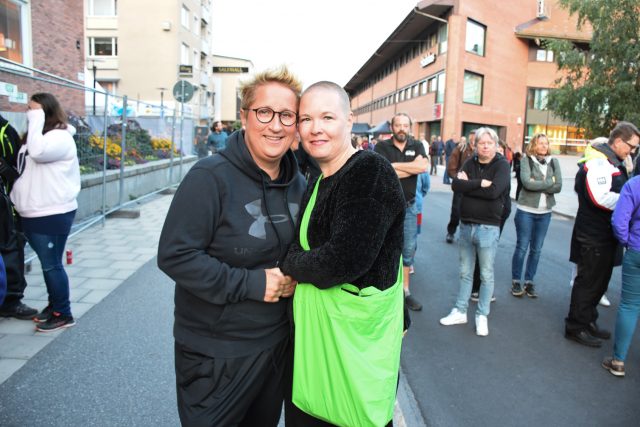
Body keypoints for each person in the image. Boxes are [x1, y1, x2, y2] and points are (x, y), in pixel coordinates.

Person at [157, 66, 306, 426]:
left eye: (287, 115)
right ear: (244, 116)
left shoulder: (299, 183)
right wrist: (253, 283)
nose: (276, 125)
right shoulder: (209, 177)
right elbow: (175, 256)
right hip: (214, 353)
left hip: (275, 347)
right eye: (264, 112)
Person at [282, 81, 405, 427]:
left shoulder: (369, 172)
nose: (315, 128)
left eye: (327, 117)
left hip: (351, 349)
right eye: (306, 119)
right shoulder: (319, 178)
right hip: (316, 345)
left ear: (349, 120)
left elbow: (343, 260)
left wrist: (288, 264)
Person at [565, 122, 640, 348]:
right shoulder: (598, 163)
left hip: (604, 235)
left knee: (599, 282)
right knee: (588, 282)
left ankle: (588, 320)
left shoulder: (611, 161)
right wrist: (628, 201)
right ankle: (575, 326)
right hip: (593, 235)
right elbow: (599, 197)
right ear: (617, 141)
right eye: (631, 146)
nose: (632, 152)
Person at [10, 93, 80, 332]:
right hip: (33, 211)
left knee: (52, 265)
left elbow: (39, 154)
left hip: (51, 212)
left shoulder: (60, 137)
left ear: (45, 112)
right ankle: (54, 306)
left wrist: (36, 119)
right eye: (28, 109)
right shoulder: (37, 137)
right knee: (48, 264)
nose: (29, 113)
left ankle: (63, 313)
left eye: (34, 110)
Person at [439, 127, 510, 336]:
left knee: (486, 274)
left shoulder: (502, 166)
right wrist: (479, 183)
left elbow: (494, 192)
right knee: (465, 272)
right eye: (481, 143)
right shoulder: (470, 162)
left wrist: (468, 185)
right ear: (475, 145)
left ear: (495, 145)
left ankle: (482, 315)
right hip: (466, 226)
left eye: (489, 143)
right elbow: (456, 185)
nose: (485, 146)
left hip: (488, 227)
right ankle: (460, 311)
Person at [375, 113, 429, 311]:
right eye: (398, 125)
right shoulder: (381, 147)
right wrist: (410, 167)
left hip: (410, 207)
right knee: (383, 248)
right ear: (392, 127)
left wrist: (394, 166)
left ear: (410, 127)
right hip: (386, 207)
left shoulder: (417, 145)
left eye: (405, 125)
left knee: (407, 250)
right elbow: (382, 171)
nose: (401, 129)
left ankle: (405, 292)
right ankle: (382, 290)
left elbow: (422, 167)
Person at [510, 133, 562, 298]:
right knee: (522, 247)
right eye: (540, 143)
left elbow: (559, 186)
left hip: (545, 213)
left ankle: (529, 281)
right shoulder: (526, 160)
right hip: (526, 211)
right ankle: (516, 280)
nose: (544, 146)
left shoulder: (554, 162)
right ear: (534, 145)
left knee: (537, 249)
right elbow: (527, 183)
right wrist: (548, 182)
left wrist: (537, 183)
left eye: (546, 143)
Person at [0, 114, 38, 320]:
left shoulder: (5, 130)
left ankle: (11, 300)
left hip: (5, 204)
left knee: (11, 248)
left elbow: (18, 169)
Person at [603, 174, 640, 377]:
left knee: (630, 305)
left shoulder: (634, 185)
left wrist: (627, 242)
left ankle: (618, 360)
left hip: (637, 250)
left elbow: (619, 221)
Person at [446, 131, 476, 243]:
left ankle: (469, 236)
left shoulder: (480, 151)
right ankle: (451, 231)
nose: (473, 140)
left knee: (473, 213)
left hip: (475, 187)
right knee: (456, 211)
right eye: (472, 138)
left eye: (475, 138)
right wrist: (457, 179)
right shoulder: (461, 148)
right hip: (461, 186)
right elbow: (451, 167)